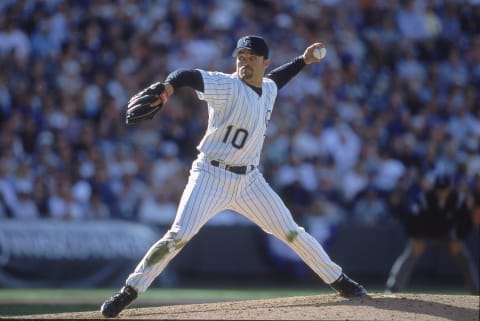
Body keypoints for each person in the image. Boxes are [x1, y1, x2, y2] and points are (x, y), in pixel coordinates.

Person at [100, 35, 368, 318]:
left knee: (291, 232)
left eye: (252, 58)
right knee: (177, 236)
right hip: (210, 176)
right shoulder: (226, 86)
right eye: (241, 56)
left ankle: (340, 281)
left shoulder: (268, 89)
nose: (245, 62)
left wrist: (303, 60)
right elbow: (188, 75)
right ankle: (128, 291)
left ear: (264, 62)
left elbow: (279, 78)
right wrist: (167, 88)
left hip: (250, 182)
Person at [385, 173, 479, 294]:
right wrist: (414, 238)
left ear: (450, 188)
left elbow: (467, 222)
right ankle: (392, 289)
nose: (441, 192)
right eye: (439, 189)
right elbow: (411, 219)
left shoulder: (458, 200)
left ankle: (477, 292)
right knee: (409, 255)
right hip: (424, 236)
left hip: (447, 238)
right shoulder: (425, 198)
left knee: (465, 258)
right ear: (435, 188)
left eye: (444, 189)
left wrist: (459, 240)